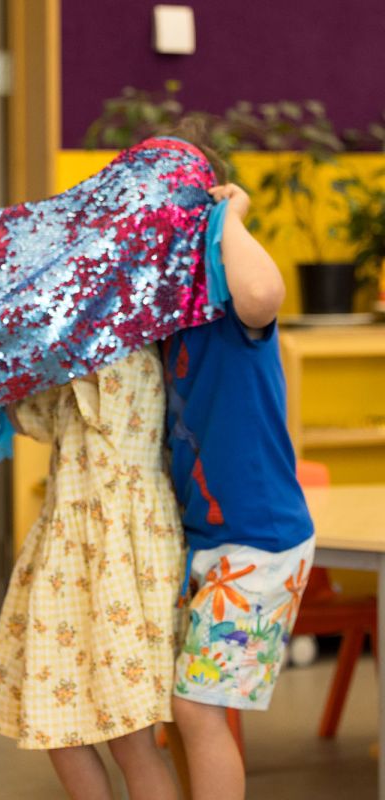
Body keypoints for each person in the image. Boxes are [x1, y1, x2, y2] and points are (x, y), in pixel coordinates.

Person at [162, 181, 314, 800]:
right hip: (208, 544)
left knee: (196, 709)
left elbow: (262, 291)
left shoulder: (234, 317)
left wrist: (232, 211)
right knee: (183, 710)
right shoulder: (171, 331)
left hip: (259, 542)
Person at [0, 345, 183, 800]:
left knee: (130, 740)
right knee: (56, 727)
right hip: (69, 559)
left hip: (116, 562)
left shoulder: (128, 361)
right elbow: (28, 413)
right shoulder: (78, 366)